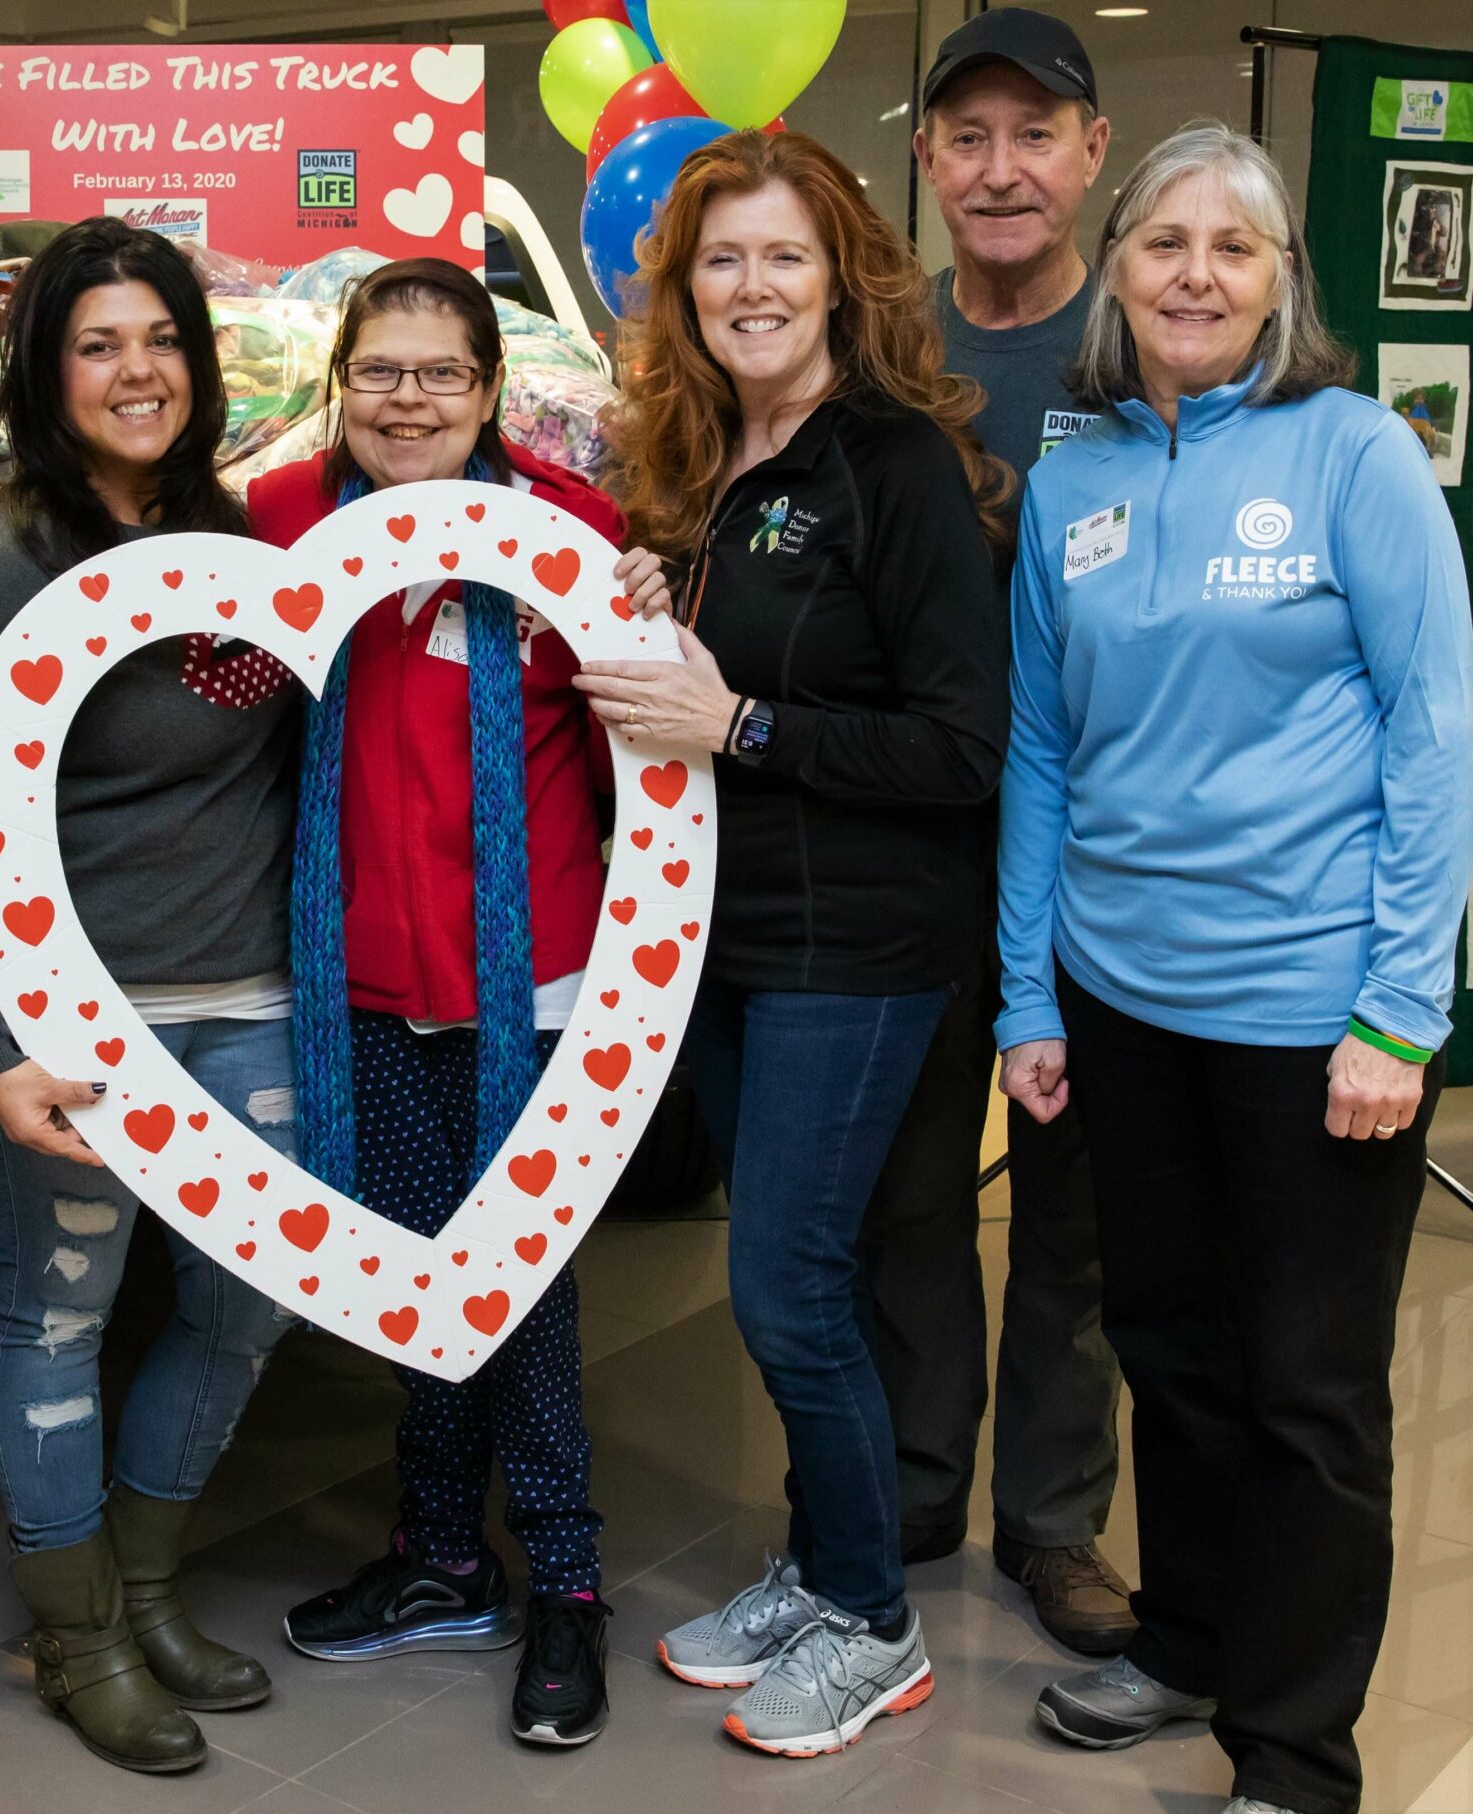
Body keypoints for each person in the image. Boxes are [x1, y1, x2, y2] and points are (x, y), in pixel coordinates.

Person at [997, 124, 1472, 1814]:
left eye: (1236, 247)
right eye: (1167, 241)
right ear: (1119, 268)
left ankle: (1293, 1752)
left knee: (1311, 1391)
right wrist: (1029, 994)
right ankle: (1187, 1634)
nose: (1196, 272)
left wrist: (1399, 1011)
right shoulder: (1075, 480)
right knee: (1173, 1346)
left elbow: (1435, 739)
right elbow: (1044, 756)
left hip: (1311, 1021)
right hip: (1122, 1000)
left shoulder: (1358, 455)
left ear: (1282, 284)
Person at [580, 128, 1010, 1757]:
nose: (752, 287)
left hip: (863, 945)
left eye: (784, 256)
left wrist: (738, 719)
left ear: (844, 275)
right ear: (684, 292)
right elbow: (709, 673)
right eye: (721, 261)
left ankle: (878, 1620)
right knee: (789, 1277)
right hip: (736, 942)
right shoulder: (706, 470)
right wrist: (653, 599)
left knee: (789, 1292)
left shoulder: (891, 463)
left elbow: (960, 746)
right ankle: (826, 1570)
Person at [0, 217, 302, 1775]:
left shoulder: (240, 536)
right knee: (60, 1311)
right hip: (70, 1016)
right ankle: (75, 1635)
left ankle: (142, 1592)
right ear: (48, 369)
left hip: (249, 994)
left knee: (247, 1300)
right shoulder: (13, 558)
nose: (135, 370)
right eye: (99, 344)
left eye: (160, 340)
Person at [255, 258, 643, 1750]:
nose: (406, 401)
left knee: (523, 1289)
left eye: (439, 374)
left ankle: (572, 1580)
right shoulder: (283, 521)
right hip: (360, 978)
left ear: (489, 389)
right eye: (380, 371)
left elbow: (636, 767)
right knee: (427, 1284)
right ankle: (438, 1555)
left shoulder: (570, 528)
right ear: (339, 379)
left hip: (534, 983)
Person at [850, 2, 1133, 1656]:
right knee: (906, 1194)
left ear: (1092, 153)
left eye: (1039, 133)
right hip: (919, 839)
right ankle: (910, 1474)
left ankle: (1054, 1518)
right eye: (971, 136)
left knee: (1078, 1207)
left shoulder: (1150, 333)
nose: (1003, 167)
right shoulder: (888, 352)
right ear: (930, 160)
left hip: (1101, 857)